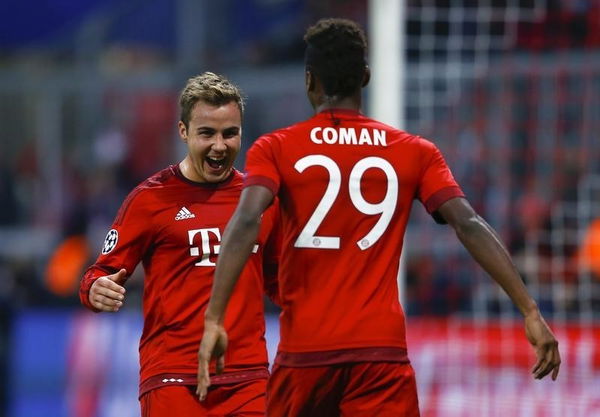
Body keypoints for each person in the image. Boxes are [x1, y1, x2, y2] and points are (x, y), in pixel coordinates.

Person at [196, 18, 561, 417]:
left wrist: (215, 318)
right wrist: (529, 310)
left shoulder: (276, 148)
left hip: (306, 351)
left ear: (309, 81)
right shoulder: (414, 151)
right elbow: (467, 223)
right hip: (380, 355)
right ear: (365, 77)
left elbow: (247, 220)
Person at [80, 72, 280, 417]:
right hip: (173, 379)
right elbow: (100, 272)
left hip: (247, 378)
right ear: (183, 132)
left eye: (230, 133)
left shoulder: (260, 199)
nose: (220, 145)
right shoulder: (150, 199)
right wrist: (94, 289)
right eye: (207, 133)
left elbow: (281, 280)